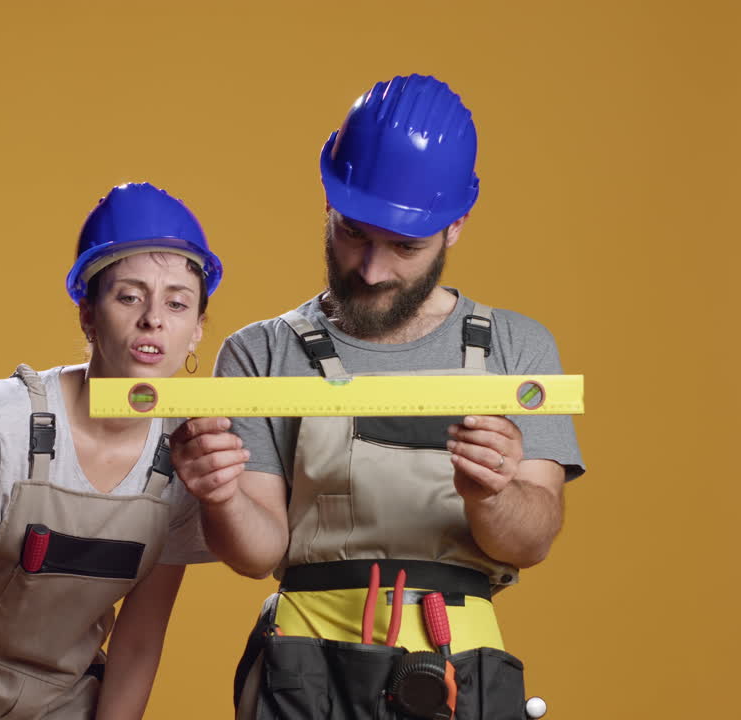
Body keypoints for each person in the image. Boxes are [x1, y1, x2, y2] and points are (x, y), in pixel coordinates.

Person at [170, 74, 585, 719]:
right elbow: (257, 555)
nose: (372, 269)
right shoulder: (262, 353)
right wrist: (218, 494)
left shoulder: (516, 348)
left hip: (461, 668)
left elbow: (531, 542)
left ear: (456, 226)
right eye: (354, 233)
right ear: (328, 200)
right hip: (303, 670)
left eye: (405, 247)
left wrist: (494, 494)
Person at [0, 181, 224, 720]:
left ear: (196, 331)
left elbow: (140, 636)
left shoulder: (185, 452)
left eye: (177, 303)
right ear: (87, 313)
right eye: (129, 296)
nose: (153, 319)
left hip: (63, 693)